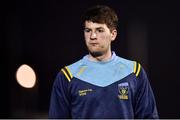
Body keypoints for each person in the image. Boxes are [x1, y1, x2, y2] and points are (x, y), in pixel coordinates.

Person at [49, 5, 159, 119]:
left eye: (99, 30)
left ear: (113, 34)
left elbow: (149, 117)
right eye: (88, 30)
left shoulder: (134, 72)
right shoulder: (67, 76)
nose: (93, 36)